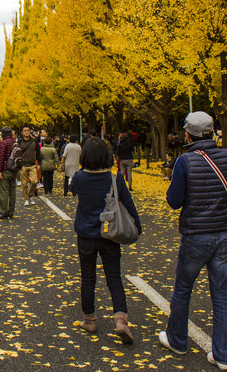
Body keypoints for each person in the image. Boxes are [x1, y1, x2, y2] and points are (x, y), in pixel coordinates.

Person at [159, 111, 227, 371]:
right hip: (224, 234)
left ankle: (177, 340)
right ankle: (223, 355)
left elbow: (174, 201)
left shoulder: (185, 161)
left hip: (196, 235)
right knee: (222, 296)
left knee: (182, 289)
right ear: (212, 131)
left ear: (188, 134)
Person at [70, 137, 143, 343]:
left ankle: (89, 319)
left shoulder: (79, 177)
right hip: (110, 234)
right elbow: (128, 203)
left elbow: (73, 189)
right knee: (114, 278)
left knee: (88, 278)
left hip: (86, 235)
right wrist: (137, 227)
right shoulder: (115, 178)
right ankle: (121, 319)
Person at [0, 126, 17, 219]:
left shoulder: (3, 143)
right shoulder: (14, 142)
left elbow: (1, 157)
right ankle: (11, 211)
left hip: (6, 169)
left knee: (4, 191)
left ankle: (3, 211)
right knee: (12, 191)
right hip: (14, 170)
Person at [17, 126, 41, 206]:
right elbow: (17, 154)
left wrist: (39, 164)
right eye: (25, 131)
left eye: (28, 130)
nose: (27, 132)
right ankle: (26, 199)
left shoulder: (34, 141)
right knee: (24, 184)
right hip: (23, 165)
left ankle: (30, 195)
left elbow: (38, 153)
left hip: (32, 165)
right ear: (22, 132)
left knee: (34, 181)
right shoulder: (20, 142)